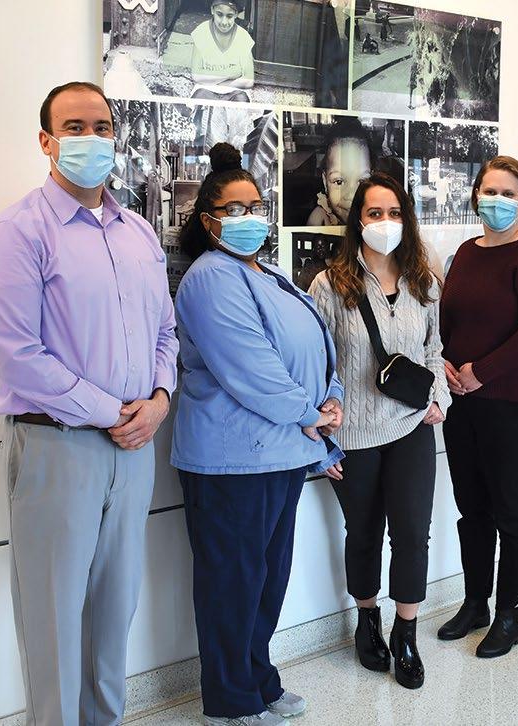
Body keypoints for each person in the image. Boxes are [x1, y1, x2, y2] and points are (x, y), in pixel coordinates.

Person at [0, 81, 178, 725]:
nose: (92, 138)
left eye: (102, 126)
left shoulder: (138, 232)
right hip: (57, 448)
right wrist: (112, 412)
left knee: (115, 613)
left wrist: (160, 399)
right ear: (46, 141)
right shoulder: (18, 233)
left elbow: (166, 331)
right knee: (54, 619)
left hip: (135, 448)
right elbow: (19, 357)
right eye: (75, 127)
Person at [171, 143, 345, 725]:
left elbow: (318, 344)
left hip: (282, 452)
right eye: (234, 208)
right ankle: (229, 700)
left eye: (256, 206)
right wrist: (309, 413)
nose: (249, 217)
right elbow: (251, 367)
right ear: (209, 220)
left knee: (266, 581)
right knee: (232, 583)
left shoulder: (266, 273)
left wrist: (331, 397)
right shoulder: (209, 279)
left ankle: (258, 680)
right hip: (232, 459)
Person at [309, 173, 450, 689]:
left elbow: (434, 349)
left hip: (410, 428)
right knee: (363, 532)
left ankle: (406, 632)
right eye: (374, 213)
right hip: (352, 436)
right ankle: (367, 619)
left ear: (406, 220)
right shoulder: (329, 285)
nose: (384, 222)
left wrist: (439, 396)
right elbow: (314, 364)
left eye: (393, 213)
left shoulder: (423, 281)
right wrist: (321, 439)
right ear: (358, 221)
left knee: (412, 533)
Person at [437, 156, 518, 657]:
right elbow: (448, 321)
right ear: (475, 196)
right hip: (464, 402)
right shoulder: (465, 254)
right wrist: (446, 365)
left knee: (511, 510)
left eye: (508, 193)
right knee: (472, 509)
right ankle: (476, 602)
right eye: (489, 191)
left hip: (516, 402)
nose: (497, 201)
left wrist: (481, 371)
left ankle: (511, 613)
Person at [307, 118, 373, 226]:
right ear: (325, 182)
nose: (351, 196)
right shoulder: (319, 220)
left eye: (362, 181)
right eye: (339, 182)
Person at [189, 0, 255, 103]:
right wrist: (230, 74)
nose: (224, 22)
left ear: (236, 14)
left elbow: (248, 81)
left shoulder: (243, 37)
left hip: (234, 91)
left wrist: (214, 80)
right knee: (199, 99)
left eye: (229, 16)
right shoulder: (202, 32)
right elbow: (197, 76)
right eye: (219, 15)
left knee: (241, 100)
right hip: (206, 90)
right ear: (212, 10)